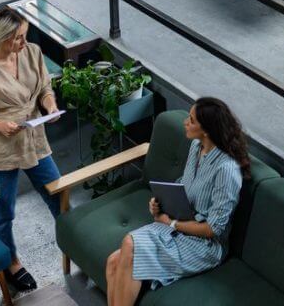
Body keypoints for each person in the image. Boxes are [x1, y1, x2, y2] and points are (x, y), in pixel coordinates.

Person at [105, 98, 251, 305]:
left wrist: (171, 223)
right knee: (113, 262)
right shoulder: (195, 147)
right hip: (177, 224)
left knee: (129, 242)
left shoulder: (226, 170)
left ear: (207, 130)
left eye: (191, 120)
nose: (185, 122)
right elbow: (183, 184)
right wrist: (160, 203)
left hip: (204, 245)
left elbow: (214, 229)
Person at [0, 8, 63, 293]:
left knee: (58, 197)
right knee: (4, 213)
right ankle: (10, 263)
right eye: (17, 38)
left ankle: (78, 244)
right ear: (2, 38)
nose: (23, 42)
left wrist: (50, 106)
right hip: (4, 148)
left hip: (35, 138)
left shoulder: (32, 51)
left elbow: (45, 86)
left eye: (24, 35)